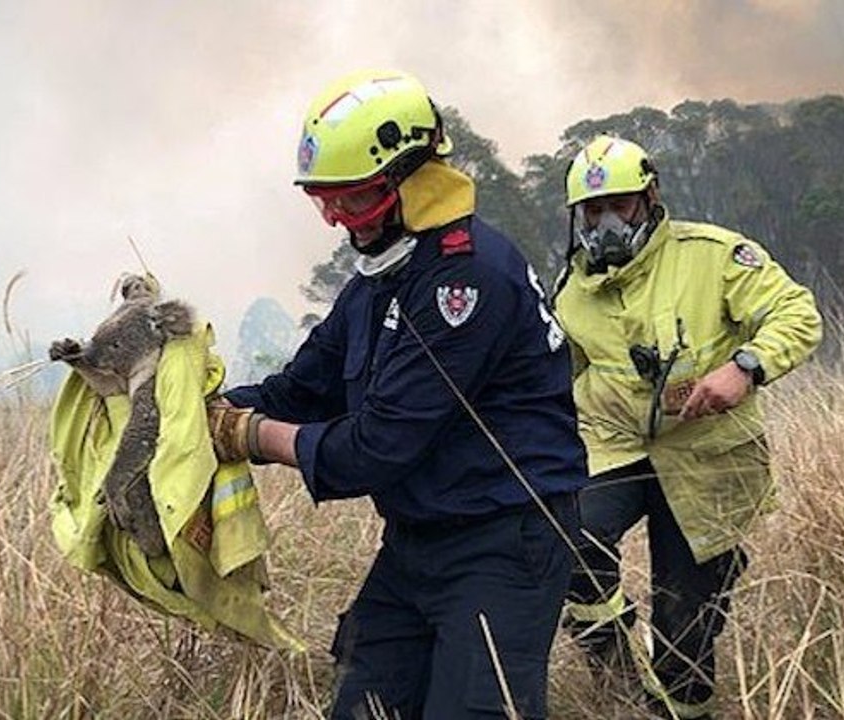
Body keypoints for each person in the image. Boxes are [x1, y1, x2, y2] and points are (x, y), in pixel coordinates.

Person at [205, 69, 587, 719]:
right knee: (363, 706)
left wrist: (246, 435)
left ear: (410, 178)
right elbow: (298, 388)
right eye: (322, 201)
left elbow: (375, 448)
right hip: (418, 539)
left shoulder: (463, 282)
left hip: (505, 539)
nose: (334, 220)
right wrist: (193, 408)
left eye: (350, 201)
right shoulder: (379, 278)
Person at [551, 135, 823, 719]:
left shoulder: (714, 255)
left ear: (649, 197)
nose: (603, 224)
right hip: (614, 448)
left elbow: (796, 313)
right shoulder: (571, 292)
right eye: (590, 212)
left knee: (685, 625)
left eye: (618, 206)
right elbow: (555, 376)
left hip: (706, 454)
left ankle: (677, 703)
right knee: (566, 544)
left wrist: (745, 368)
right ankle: (618, 669)